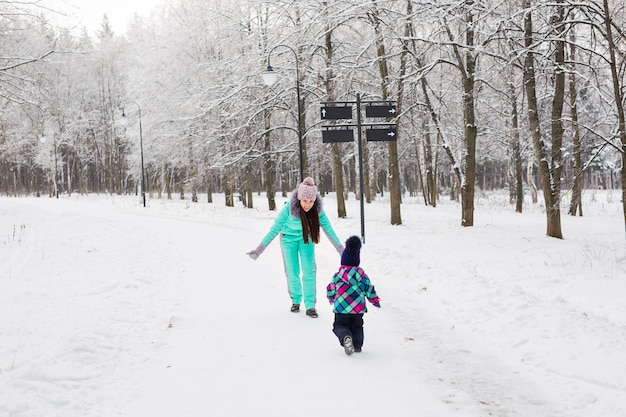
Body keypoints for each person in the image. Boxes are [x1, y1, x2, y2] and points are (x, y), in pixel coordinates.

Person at [247, 177, 344, 318]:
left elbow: (328, 229)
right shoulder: (289, 209)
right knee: (292, 271)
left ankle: (310, 305)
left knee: (309, 271)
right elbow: (274, 229)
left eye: (311, 201)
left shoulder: (317, 209)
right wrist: (259, 249)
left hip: (306, 238)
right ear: (299, 198)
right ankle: (296, 301)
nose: (307, 205)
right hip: (287, 239)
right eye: (305, 201)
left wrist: (340, 249)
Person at [326, 235, 380, 355]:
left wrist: (331, 298)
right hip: (357, 309)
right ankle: (357, 346)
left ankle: (345, 337)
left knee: (339, 326)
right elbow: (369, 289)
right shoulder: (362, 276)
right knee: (357, 326)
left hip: (341, 308)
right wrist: (374, 300)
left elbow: (330, 288)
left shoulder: (338, 276)